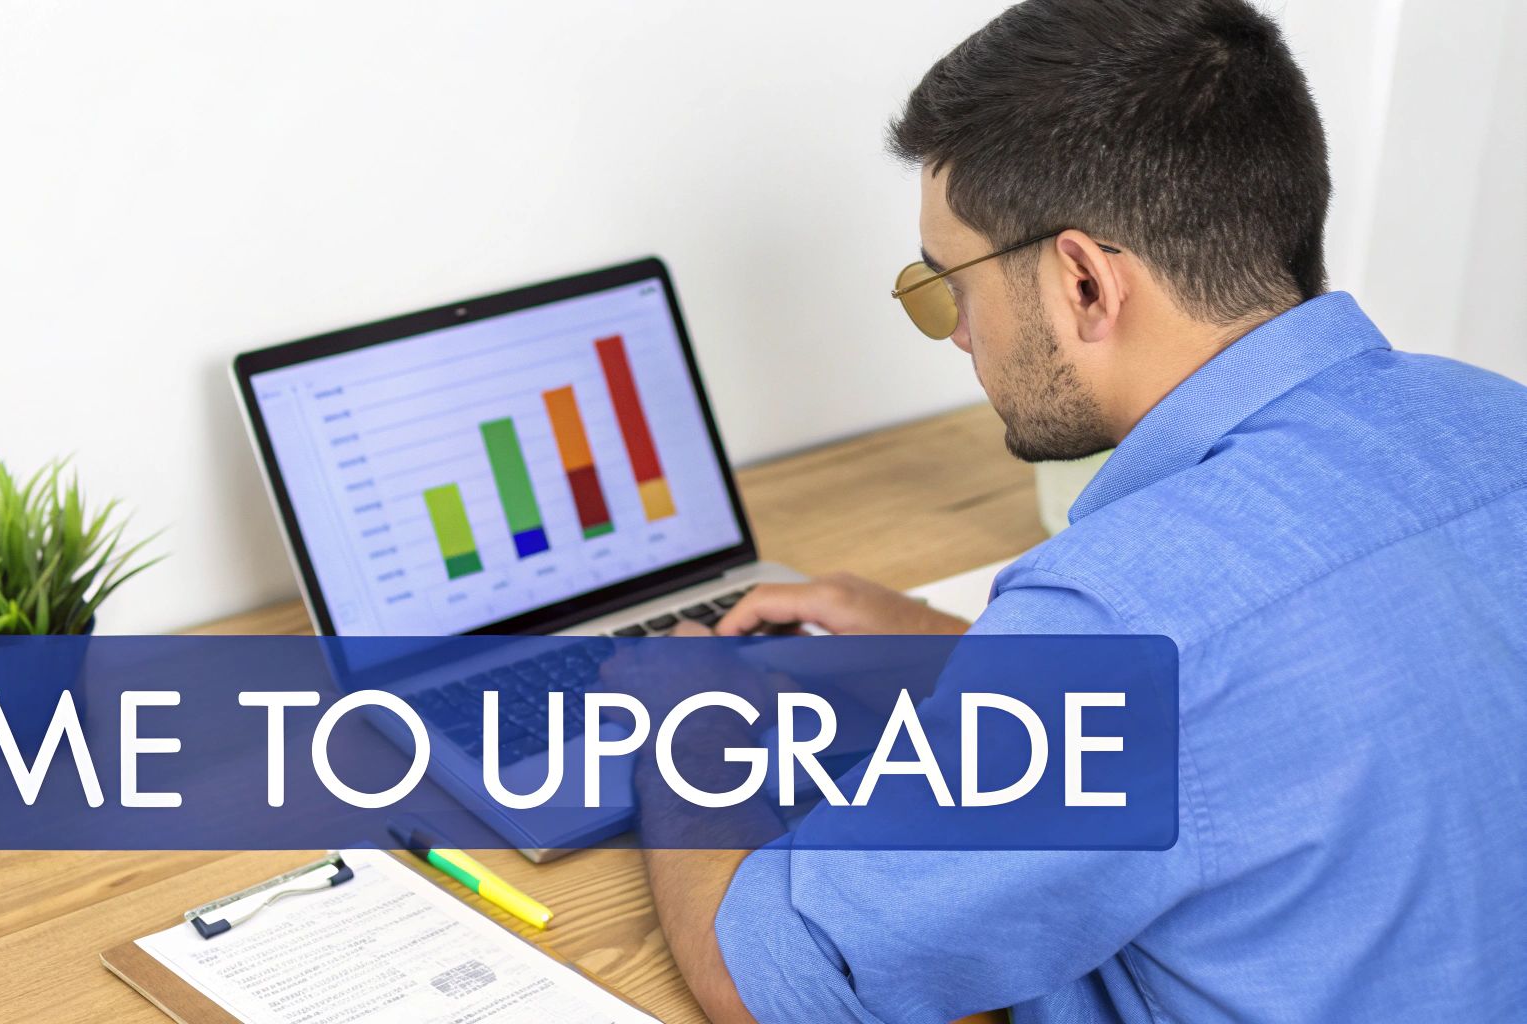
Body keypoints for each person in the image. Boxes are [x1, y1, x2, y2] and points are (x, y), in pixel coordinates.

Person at [636, 0, 1527, 1020]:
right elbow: (1273, 701)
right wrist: (970, 655)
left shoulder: (1120, 616)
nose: (958, 335)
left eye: (947, 286)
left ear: (1082, 282)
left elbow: (778, 983)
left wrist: (687, 728)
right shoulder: (1494, 419)